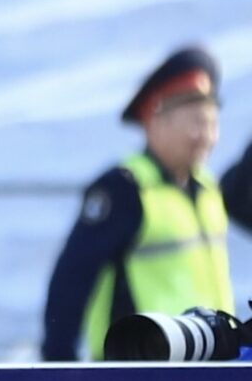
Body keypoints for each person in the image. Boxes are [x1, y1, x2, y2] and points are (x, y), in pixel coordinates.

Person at [41, 47, 230, 360]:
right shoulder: (124, 189)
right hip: (139, 373)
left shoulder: (207, 187)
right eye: (196, 122)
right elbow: (71, 282)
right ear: (156, 122)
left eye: (212, 123)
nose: (206, 136)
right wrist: (59, 367)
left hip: (204, 366)